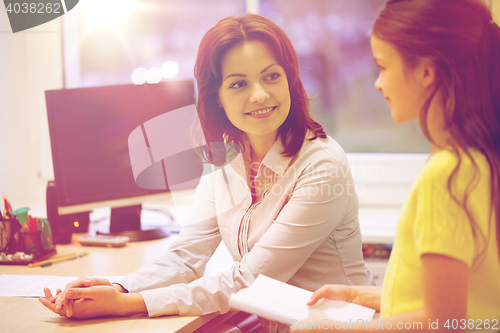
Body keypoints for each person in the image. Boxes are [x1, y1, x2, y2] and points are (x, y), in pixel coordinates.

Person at [40, 13, 370, 332]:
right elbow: (188, 256)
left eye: (271, 76)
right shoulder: (224, 157)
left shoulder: (321, 166)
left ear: (290, 80)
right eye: (239, 84)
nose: (260, 94)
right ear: (218, 98)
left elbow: (248, 282)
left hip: (340, 328)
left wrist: (126, 303)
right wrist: (118, 286)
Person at [291, 0, 500, 332]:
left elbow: (444, 323)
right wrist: (359, 295)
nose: (377, 83)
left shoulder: (446, 174)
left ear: (426, 72)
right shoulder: (479, 159)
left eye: (383, 67)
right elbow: (451, 299)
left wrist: (324, 327)